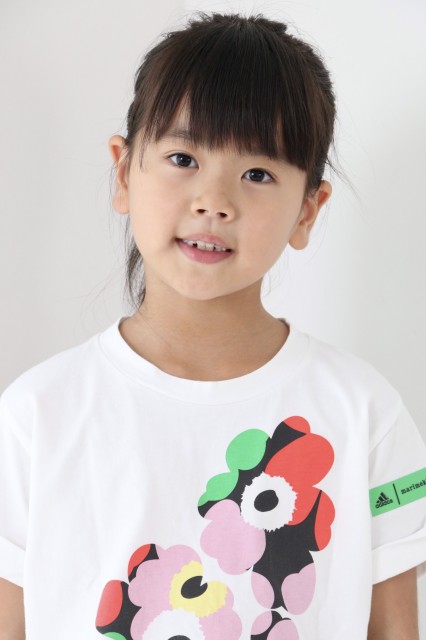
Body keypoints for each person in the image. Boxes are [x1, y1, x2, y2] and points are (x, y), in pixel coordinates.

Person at [0, 12, 425, 640]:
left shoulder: (366, 414)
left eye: (257, 174)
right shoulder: (36, 417)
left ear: (308, 211)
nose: (214, 201)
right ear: (124, 172)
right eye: (183, 157)